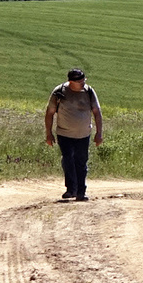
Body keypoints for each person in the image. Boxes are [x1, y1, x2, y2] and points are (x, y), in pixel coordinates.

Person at [45, 67, 102, 201]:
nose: (83, 83)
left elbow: (97, 112)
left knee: (81, 161)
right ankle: (71, 189)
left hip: (84, 133)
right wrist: (48, 133)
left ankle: (81, 191)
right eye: (80, 81)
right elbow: (49, 113)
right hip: (64, 133)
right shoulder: (59, 92)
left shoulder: (89, 91)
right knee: (68, 158)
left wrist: (99, 133)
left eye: (83, 80)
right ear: (71, 81)